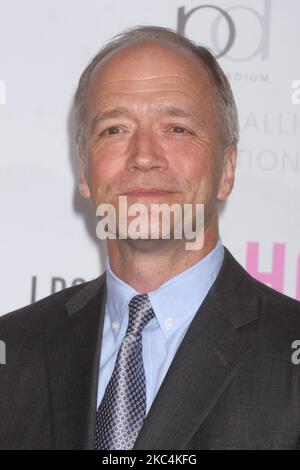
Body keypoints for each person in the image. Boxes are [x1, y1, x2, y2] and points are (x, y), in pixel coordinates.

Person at [0, 25, 300, 450]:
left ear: (227, 169)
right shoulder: (12, 353)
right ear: (84, 172)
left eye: (177, 128)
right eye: (115, 129)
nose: (143, 156)